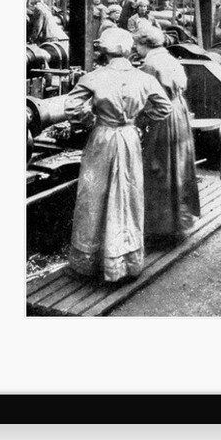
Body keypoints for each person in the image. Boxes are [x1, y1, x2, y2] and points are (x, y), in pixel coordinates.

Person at [63, 28, 172, 283]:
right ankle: (124, 262)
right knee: (127, 194)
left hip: (102, 137)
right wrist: (140, 120)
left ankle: (89, 262)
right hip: (129, 137)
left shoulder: (95, 76)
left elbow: (71, 107)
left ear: (105, 50)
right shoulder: (143, 78)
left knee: (94, 195)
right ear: (128, 49)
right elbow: (164, 108)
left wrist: (90, 120)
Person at [134, 26, 201, 245]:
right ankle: (178, 224)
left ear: (145, 44)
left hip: (164, 119)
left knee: (160, 168)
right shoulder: (171, 58)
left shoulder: (150, 64)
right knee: (178, 167)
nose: (135, 49)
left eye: (137, 45)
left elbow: (144, 96)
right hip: (179, 112)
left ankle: (161, 230)